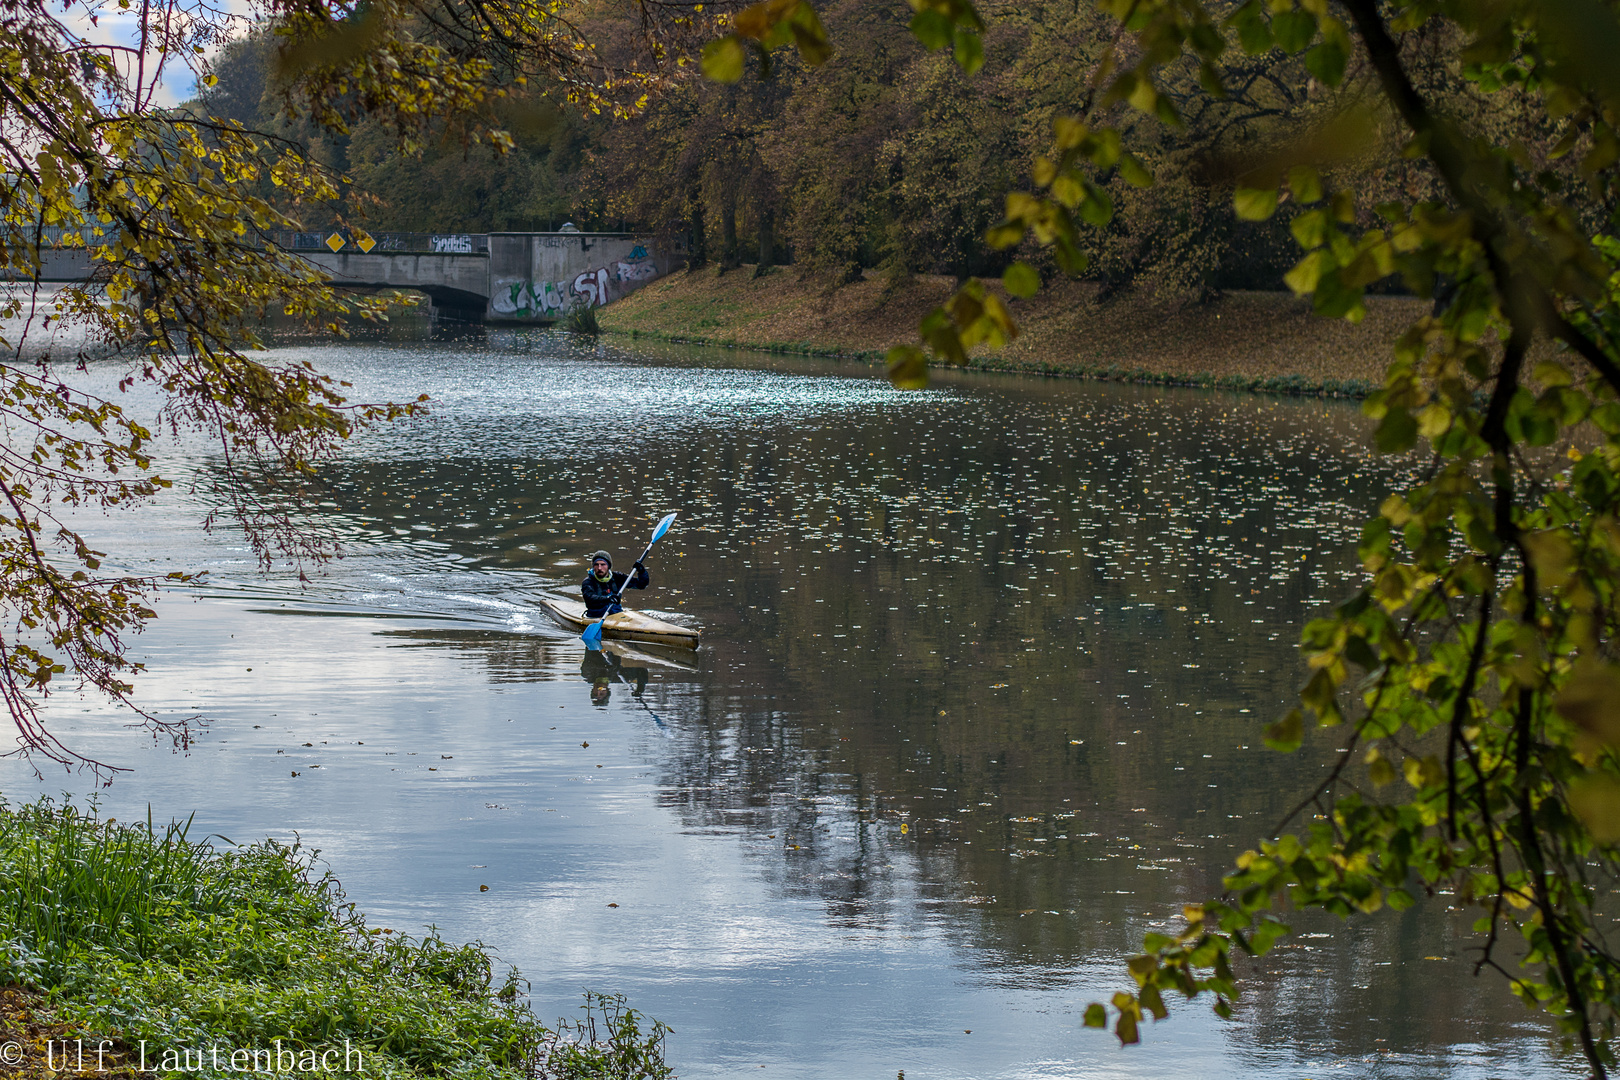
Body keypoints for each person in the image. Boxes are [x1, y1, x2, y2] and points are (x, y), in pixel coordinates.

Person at [582, 549, 649, 618]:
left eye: (603, 565)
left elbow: (641, 585)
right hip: (596, 615)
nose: (599, 568)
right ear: (593, 566)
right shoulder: (588, 582)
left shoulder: (617, 577)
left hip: (617, 614)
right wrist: (607, 599)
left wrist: (641, 571)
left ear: (608, 566)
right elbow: (589, 598)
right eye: (596, 565)